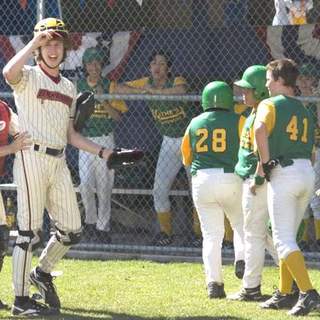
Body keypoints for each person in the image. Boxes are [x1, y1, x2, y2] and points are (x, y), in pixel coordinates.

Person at [2, 18, 115, 316]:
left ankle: (42, 272)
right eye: (47, 43)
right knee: (28, 233)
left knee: (72, 230)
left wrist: (105, 152)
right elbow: (7, 72)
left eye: (57, 43)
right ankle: (21, 300)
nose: (52, 49)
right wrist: (33, 43)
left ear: (65, 49)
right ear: (38, 48)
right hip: (31, 157)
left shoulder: (68, 85)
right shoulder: (26, 75)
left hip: (59, 160)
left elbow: (72, 136)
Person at [254, 58, 320, 316]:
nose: (267, 83)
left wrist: (266, 162)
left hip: (285, 173)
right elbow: (313, 152)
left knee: (282, 239)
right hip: (306, 171)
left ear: (281, 80)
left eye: (269, 78)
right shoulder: (304, 109)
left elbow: (260, 130)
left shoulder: (269, 103)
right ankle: (285, 292)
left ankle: (308, 292)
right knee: (288, 235)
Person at [115, 50, 200, 246]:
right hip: (168, 141)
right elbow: (118, 87)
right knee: (159, 190)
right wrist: (144, 91)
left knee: (196, 189)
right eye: (153, 63)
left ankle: (198, 234)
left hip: (189, 140)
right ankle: (165, 233)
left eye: (162, 64)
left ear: (168, 68)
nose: (157, 67)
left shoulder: (176, 80)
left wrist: (155, 92)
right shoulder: (146, 83)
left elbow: (181, 91)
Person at [181, 81, 245, 298]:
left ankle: (214, 284)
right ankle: (242, 260)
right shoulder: (239, 120)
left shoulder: (195, 122)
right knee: (240, 226)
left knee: (211, 236)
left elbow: (187, 157)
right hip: (231, 177)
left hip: (202, 180)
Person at [228, 65, 279, 302]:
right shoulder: (255, 111)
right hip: (255, 179)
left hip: (256, 180)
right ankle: (295, 283)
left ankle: (251, 288)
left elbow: (263, 150)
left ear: (259, 90)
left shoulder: (262, 112)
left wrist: (257, 178)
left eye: (248, 90)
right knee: (266, 236)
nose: (242, 94)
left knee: (254, 235)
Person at [77, 47, 127, 243]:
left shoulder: (109, 85)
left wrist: (103, 99)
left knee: (105, 186)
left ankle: (102, 228)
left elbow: (118, 117)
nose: (94, 67)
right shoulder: (79, 85)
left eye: (98, 62)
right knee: (85, 184)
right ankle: (90, 221)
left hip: (106, 139)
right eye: (90, 63)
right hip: (86, 140)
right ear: (85, 66)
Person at [0, 100, 31, 310]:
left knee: (1, 239)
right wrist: (12, 147)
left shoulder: (3, 109)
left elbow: (23, 133)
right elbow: (15, 144)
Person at [297, 63, 320, 251]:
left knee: (315, 197)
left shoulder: (316, 100)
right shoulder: (294, 102)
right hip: (299, 153)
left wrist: (315, 98)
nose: (304, 81)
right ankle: (304, 239)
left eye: (309, 78)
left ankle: (318, 240)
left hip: (317, 151)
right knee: (302, 197)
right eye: (301, 78)